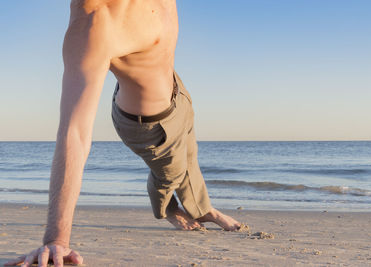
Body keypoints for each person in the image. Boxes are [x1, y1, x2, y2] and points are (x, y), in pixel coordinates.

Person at [5, 0, 241, 266]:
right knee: (169, 174)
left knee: (189, 155)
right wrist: (55, 239)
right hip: (149, 123)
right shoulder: (94, 21)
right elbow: (75, 132)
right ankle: (168, 209)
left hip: (177, 93)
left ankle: (203, 209)